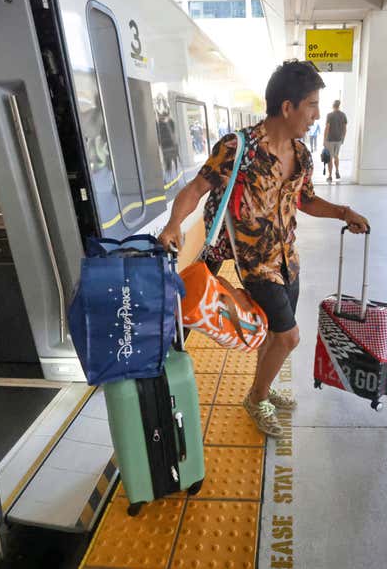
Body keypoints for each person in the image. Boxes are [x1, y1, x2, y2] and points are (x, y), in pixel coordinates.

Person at [158, 60, 369, 438]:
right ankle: (256, 399)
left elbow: (305, 201)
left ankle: (263, 388)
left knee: (274, 335)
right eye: (311, 105)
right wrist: (173, 224)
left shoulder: (302, 155)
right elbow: (194, 190)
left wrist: (343, 212)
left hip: (289, 260)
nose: (316, 115)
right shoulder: (238, 148)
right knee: (289, 337)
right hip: (255, 265)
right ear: (287, 107)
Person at [324, 99, 347, 182]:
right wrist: (342, 138)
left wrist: (324, 140)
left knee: (330, 158)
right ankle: (337, 171)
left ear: (333, 106)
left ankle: (330, 176)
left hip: (330, 139)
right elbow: (345, 128)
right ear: (339, 106)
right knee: (336, 156)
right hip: (338, 139)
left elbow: (327, 128)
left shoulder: (329, 115)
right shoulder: (343, 115)